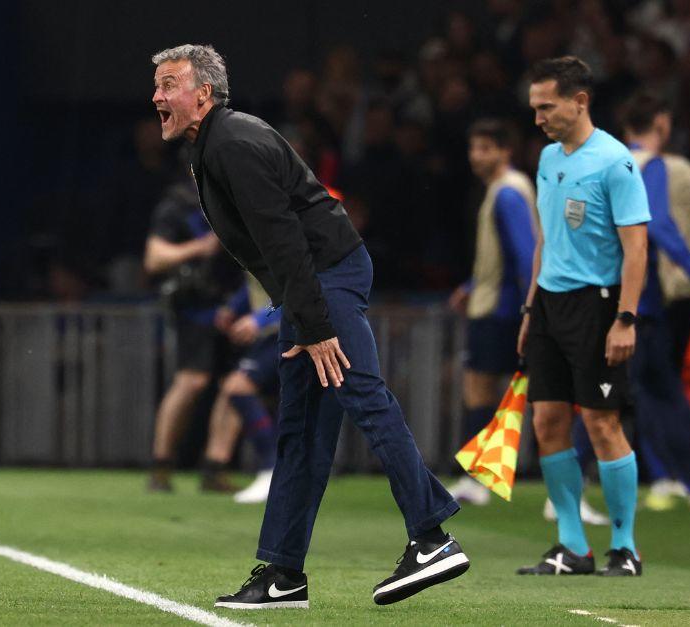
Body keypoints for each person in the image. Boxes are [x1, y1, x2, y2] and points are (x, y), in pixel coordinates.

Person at [151, 44, 467, 610]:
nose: (157, 97)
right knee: (300, 429)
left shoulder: (231, 143)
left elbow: (283, 239)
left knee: (364, 396)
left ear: (203, 94)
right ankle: (283, 574)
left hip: (326, 277)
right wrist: (297, 313)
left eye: (168, 85)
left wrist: (314, 325)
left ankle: (431, 537)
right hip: (311, 285)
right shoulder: (212, 143)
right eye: (156, 85)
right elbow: (272, 245)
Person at [515, 56, 650, 577]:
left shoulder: (614, 162)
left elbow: (636, 248)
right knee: (547, 420)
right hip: (549, 305)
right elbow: (545, 239)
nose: (538, 118)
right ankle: (572, 547)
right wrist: (531, 308)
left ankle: (625, 547)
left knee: (600, 421)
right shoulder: (548, 159)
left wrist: (627, 317)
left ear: (580, 101)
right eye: (534, 108)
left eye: (546, 106)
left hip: (599, 306)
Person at [621, 91, 690, 524]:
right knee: (626, 397)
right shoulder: (655, 165)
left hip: (598, 295)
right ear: (662, 124)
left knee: (642, 392)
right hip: (636, 301)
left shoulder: (605, 161)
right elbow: (659, 223)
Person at [447, 118, 537, 506]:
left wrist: (528, 310)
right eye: (473, 148)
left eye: (486, 148)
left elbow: (525, 255)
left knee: (479, 388)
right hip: (498, 303)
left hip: (501, 311)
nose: (476, 156)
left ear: (505, 151)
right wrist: (470, 286)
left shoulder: (507, 194)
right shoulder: (506, 190)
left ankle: (477, 479)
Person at [145, 177, 242, 493]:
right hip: (195, 307)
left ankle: (215, 467)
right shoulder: (179, 204)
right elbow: (154, 258)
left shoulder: (238, 198)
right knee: (192, 381)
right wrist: (201, 247)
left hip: (236, 305)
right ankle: (161, 466)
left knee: (238, 385)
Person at [213, 275, 282, 504]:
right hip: (271, 333)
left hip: (289, 330)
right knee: (237, 388)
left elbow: (298, 286)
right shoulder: (257, 245)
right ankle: (274, 469)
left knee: (238, 387)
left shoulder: (285, 241)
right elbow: (257, 282)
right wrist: (234, 307)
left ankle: (271, 469)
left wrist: (261, 318)